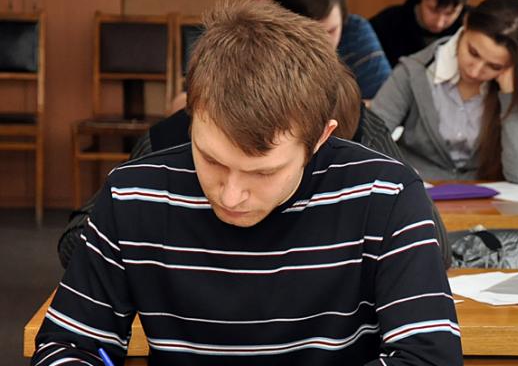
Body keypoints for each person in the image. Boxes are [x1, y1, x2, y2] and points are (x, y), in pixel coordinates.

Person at [27, 0, 463, 366]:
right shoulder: (133, 195)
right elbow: (56, 357)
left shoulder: (387, 194)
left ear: (321, 137)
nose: (231, 195)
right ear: (191, 112)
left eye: (263, 172)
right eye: (211, 159)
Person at [57, 73, 452, 269]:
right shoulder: (175, 138)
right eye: (213, 160)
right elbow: (79, 239)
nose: (233, 193)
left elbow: (433, 245)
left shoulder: (364, 134)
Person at [369, 0, 518, 183]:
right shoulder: (414, 71)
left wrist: (512, 97)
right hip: (414, 198)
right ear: (464, 24)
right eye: (473, 52)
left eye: (494, 66)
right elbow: (367, 143)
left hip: (491, 206)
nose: (475, 71)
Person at [273, 0, 391, 100]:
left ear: (342, 17)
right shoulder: (272, 48)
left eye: (332, 30)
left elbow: (386, 103)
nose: (326, 42)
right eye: (314, 34)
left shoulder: (356, 33)